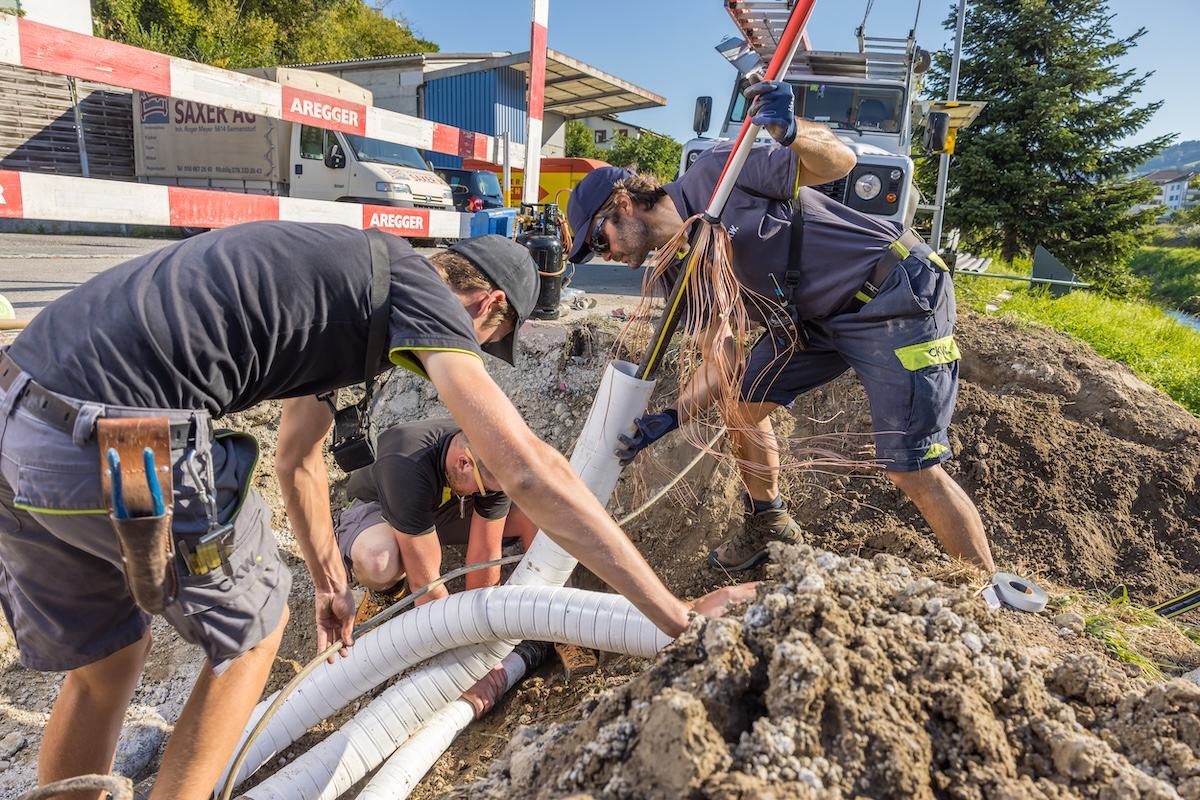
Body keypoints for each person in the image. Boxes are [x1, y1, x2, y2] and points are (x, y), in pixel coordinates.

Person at [0, 221, 746, 800]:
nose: (474, 350)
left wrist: (329, 580)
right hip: (127, 441)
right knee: (253, 639)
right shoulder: (421, 298)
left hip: (21, 424)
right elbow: (527, 466)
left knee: (107, 667)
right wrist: (674, 617)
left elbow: (296, 457)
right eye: (486, 340)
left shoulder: (344, 282)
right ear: (486, 307)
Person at [565, 80, 996, 576]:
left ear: (624, 204)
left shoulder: (716, 178)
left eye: (600, 239)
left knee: (910, 465)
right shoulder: (675, 271)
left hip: (890, 293)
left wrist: (791, 131)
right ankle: (769, 525)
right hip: (814, 320)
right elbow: (722, 360)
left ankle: (987, 594)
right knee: (743, 405)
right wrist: (671, 416)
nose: (608, 256)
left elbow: (838, 162)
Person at [336, 417, 597, 676]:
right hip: (382, 509)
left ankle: (563, 622)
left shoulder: (490, 460)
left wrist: (485, 631)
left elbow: (485, 556)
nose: (488, 496)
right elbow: (426, 585)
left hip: (444, 506)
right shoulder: (405, 462)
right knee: (379, 560)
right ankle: (387, 591)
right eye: (484, 489)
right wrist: (468, 660)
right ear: (463, 462)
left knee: (536, 514)